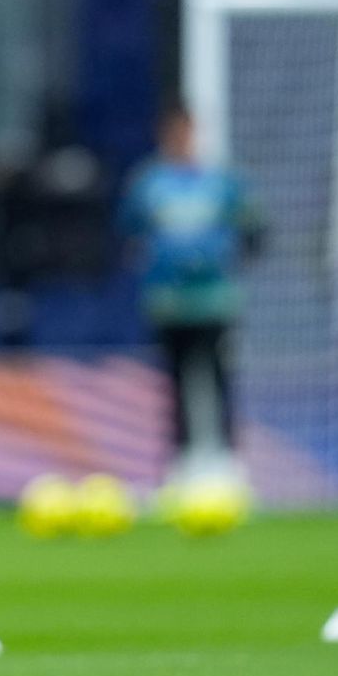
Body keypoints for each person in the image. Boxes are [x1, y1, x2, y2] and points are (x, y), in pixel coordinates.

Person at [121, 106, 263, 482]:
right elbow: (127, 232)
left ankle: (227, 460)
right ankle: (181, 461)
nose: (182, 138)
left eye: (187, 130)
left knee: (219, 376)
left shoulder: (220, 180)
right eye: (175, 131)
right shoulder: (148, 183)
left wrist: (234, 264)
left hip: (215, 298)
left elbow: (253, 228)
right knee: (176, 379)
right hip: (168, 301)